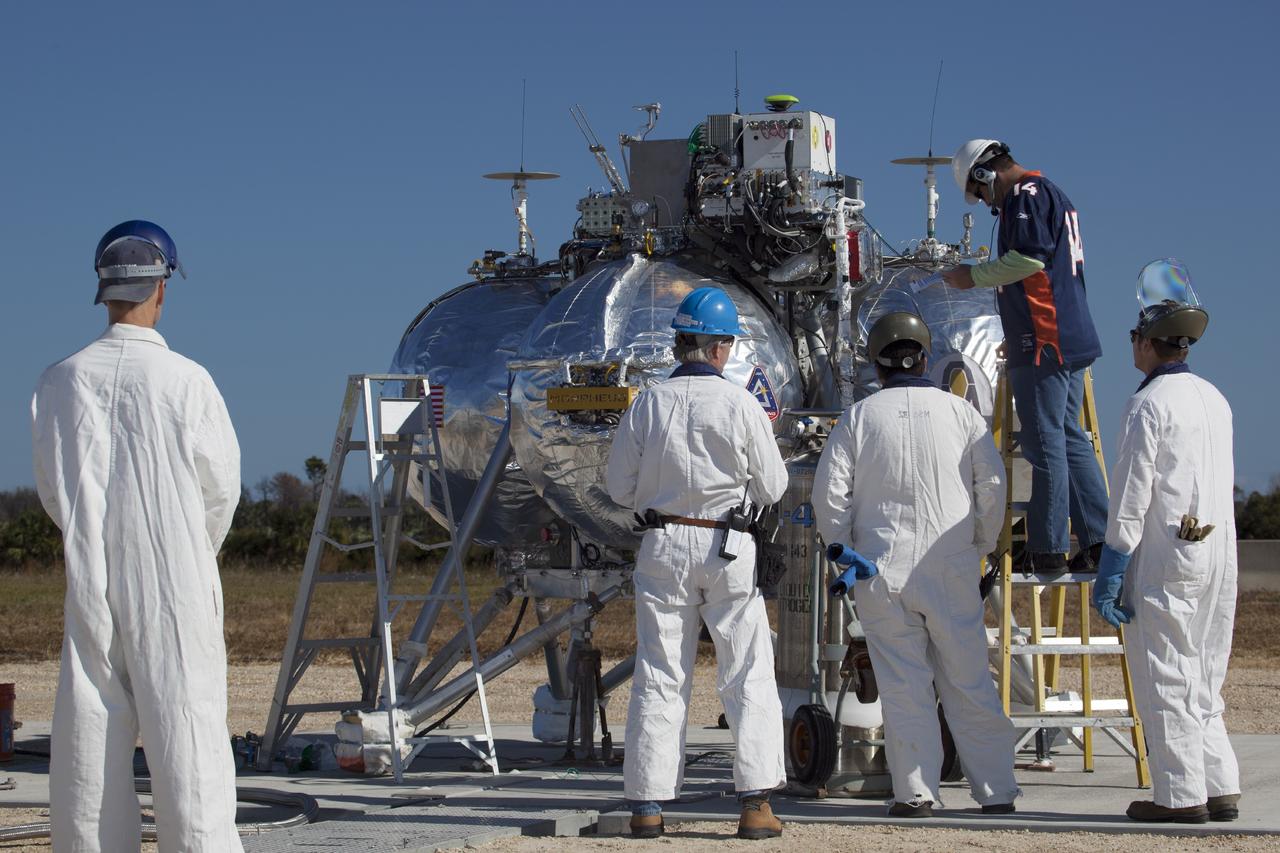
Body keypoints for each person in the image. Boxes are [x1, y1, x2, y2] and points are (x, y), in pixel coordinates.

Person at [31, 221, 243, 851]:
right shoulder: (187, 380)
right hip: (174, 570)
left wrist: (89, 534)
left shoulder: (59, 381)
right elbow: (219, 489)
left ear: (103, 288)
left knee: (90, 727)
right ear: (162, 286)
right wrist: (190, 550)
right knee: (188, 727)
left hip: (90, 565)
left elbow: (52, 488)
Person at [812, 311, 1019, 817]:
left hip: (880, 571)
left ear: (876, 366)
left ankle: (917, 794)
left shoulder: (859, 418)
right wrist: (981, 544)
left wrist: (844, 553)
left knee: (904, 688)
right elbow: (991, 487)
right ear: (925, 357)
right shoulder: (962, 415)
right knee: (969, 681)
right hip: (951, 567)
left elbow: (828, 496)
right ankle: (996, 792)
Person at [605, 286, 788, 840]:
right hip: (727, 545)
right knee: (747, 671)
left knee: (661, 673)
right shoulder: (740, 404)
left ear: (682, 342)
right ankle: (756, 806)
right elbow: (774, 484)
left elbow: (617, 487)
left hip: (662, 544)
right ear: (719, 348)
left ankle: (648, 806)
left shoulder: (647, 403)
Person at [1091, 294, 1240, 824]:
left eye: (1134, 338)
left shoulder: (1148, 404)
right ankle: (1220, 784)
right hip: (1218, 551)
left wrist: (1111, 567)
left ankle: (1179, 796)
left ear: (1148, 344)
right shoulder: (1213, 397)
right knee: (1203, 670)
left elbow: (1132, 492)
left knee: (1165, 670)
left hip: (1168, 555)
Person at [942, 139, 1108, 575]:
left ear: (985, 175)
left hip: (1045, 340)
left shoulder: (1024, 196)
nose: (988, 205)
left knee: (1043, 441)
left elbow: (1029, 261)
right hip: (1065, 336)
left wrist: (971, 277)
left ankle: (1047, 548)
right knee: (1070, 438)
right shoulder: (1053, 193)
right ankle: (1097, 540)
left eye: (982, 195)